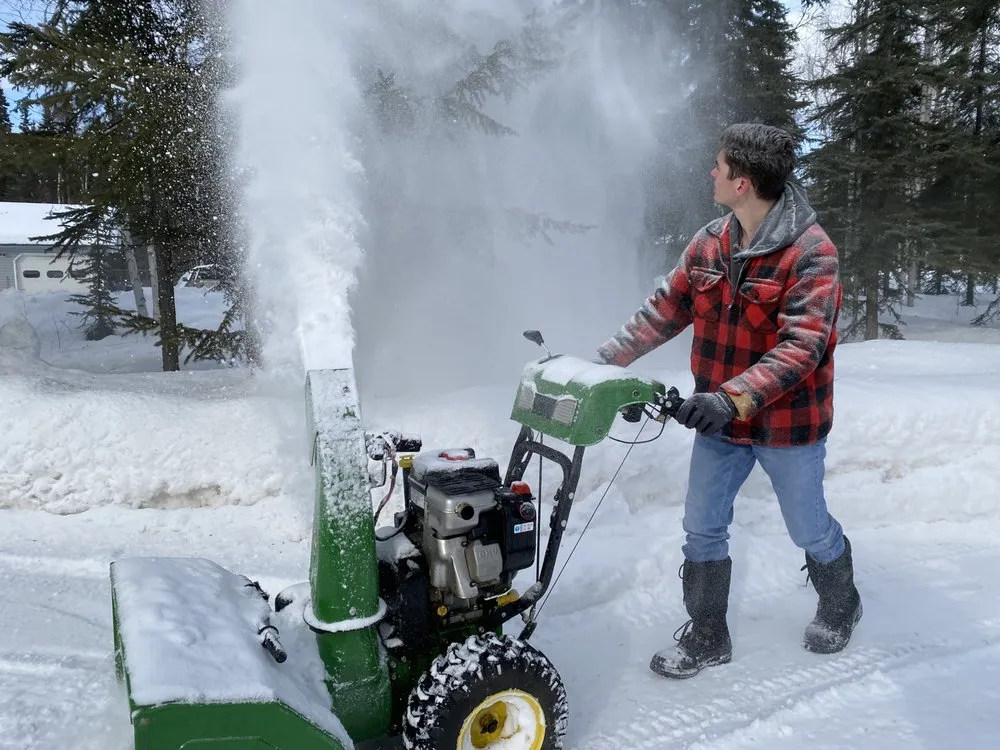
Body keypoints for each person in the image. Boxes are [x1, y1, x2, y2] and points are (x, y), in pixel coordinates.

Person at [596, 123, 861, 679]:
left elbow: (803, 346)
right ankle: (709, 635)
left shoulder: (812, 253)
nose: (710, 173)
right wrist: (602, 366)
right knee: (702, 526)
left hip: (789, 424)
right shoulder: (711, 241)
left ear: (742, 182)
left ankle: (842, 601)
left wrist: (730, 398)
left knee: (808, 529)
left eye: (718, 167)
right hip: (721, 423)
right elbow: (664, 309)